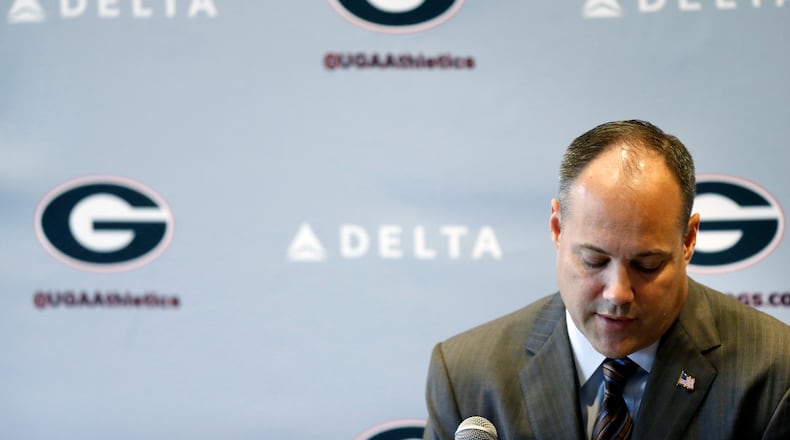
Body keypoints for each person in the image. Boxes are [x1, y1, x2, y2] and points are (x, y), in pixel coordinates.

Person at [422, 120, 790, 440]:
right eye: (594, 261)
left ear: (689, 239)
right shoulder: (466, 376)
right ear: (557, 228)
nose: (618, 293)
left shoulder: (775, 372)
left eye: (647, 264)